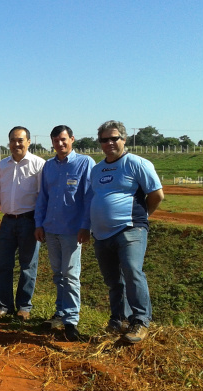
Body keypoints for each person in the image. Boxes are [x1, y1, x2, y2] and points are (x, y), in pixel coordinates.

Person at [91, 120, 163, 344]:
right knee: (113, 280)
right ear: (100, 143)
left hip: (130, 229)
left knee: (132, 272)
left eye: (115, 138)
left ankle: (141, 320)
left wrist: (140, 219)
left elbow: (156, 195)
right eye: (105, 139)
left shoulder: (137, 163)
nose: (110, 142)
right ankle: (119, 320)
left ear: (124, 139)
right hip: (102, 234)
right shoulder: (97, 169)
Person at [34, 125, 95, 341]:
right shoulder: (49, 166)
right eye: (56, 140)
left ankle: (71, 321)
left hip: (72, 230)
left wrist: (85, 226)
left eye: (63, 139)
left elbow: (89, 197)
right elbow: (43, 198)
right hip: (51, 229)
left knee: (70, 275)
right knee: (58, 275)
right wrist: (38, 224)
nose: (60, 144)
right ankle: (60, 313)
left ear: (72, 139)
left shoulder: (85, 163)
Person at [0, 126, 45, 321]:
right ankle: (4, 306)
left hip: (29, 221)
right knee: (3, 265)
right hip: (7, 221)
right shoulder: (3, 165)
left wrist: (40, 224)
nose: (16, 144)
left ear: (29, 142)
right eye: (13, 140)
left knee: (28, 266)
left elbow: (42, 197)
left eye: (20, 140)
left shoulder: (39, 165)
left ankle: (24, 307)